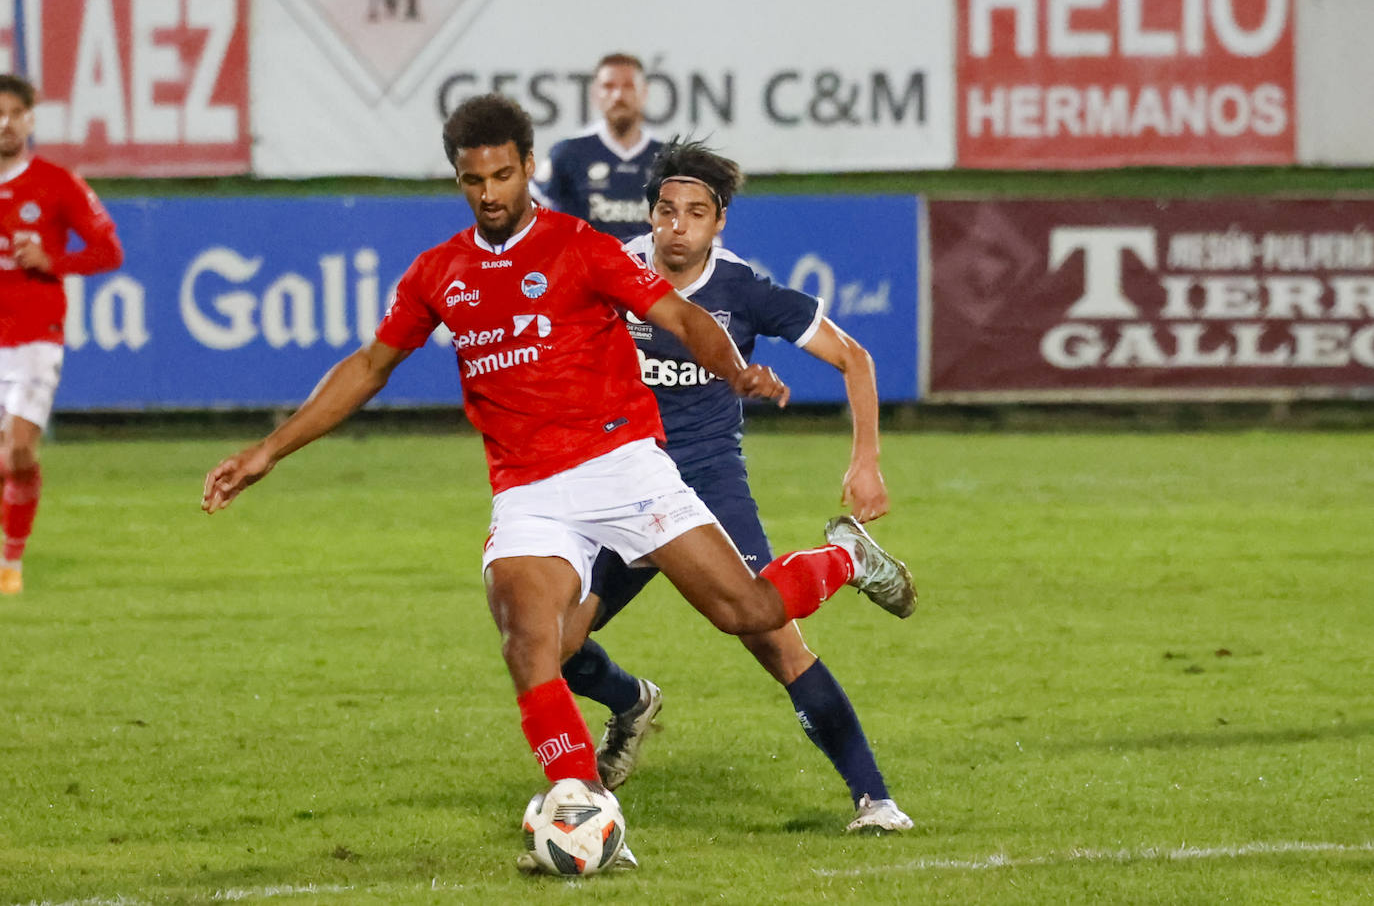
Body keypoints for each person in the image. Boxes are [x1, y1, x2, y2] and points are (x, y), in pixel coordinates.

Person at [201, 94, 914, 872]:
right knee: (532, 638)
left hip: (630, 468)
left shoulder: (583, 248)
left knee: (753, 614)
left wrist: (734, 368)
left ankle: (846, 563)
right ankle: (582, 806)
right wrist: (270, 449)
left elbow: (682, 318)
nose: (491, 192)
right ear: (460, 181)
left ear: (529, 168)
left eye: (504, 174)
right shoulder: (440, 272)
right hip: (531, 491)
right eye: (475, 180)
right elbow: (371, 365)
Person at [562, 138, 914, 833]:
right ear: (651, 216)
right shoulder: (609, 270)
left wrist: (865, 459)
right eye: (667, 211)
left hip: (705, 486)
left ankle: (874, 799)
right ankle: (630, 703)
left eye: (696, 213)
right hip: (622, 483)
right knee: (554, 641)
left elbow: (854, 357)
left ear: (718, 222)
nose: (678, 226)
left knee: (771, 639)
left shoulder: (744, 290)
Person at [0, 74, 123, 595]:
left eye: (14, 113)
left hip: (34, 337)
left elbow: (108, 250)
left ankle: (12, 564)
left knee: (18, 454)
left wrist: (55, 261)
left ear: (31, 118)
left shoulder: (55, 182)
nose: (4, 123)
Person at [532, 52, 661, 240]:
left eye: (628, 86)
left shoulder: (667, 158)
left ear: (644, 93)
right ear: (594, 94)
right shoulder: (568, 154)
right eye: (608, 86)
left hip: (647, 269)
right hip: (584, 268)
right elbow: (531, 215)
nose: (618, 95)